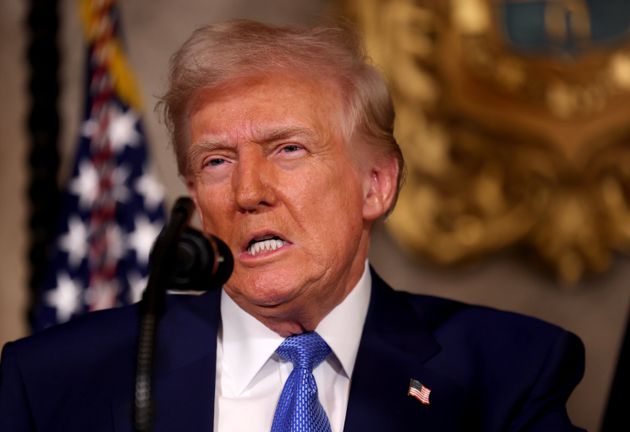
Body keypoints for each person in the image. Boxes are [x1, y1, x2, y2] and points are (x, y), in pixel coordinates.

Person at [0, 20, 585, 431]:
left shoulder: (505, 373)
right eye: (216, 161)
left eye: (288, 150)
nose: (249, 193)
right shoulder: (55, 380)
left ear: (375, 185)